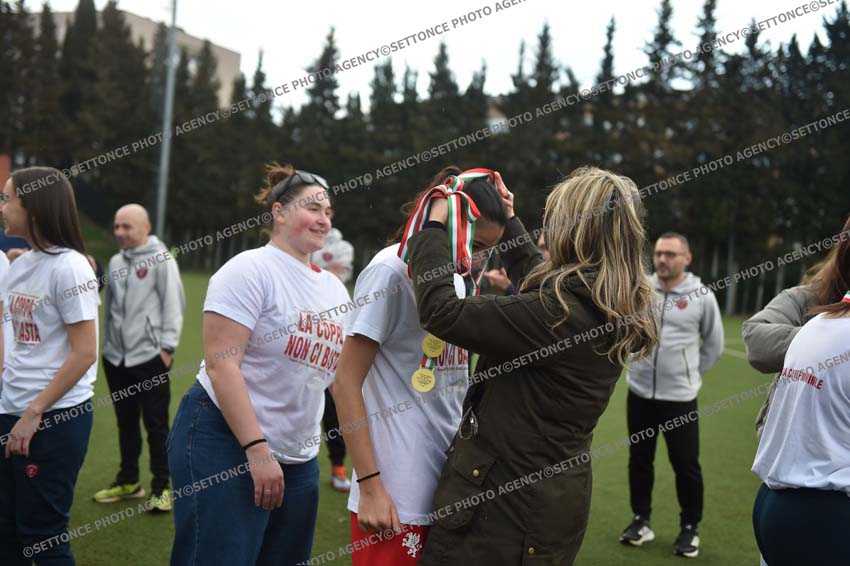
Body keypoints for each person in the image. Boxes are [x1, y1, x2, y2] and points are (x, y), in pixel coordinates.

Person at [407, 166, 657, 565]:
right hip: (549, 504)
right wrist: (510, 223)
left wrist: (433, 226)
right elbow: (535, 287)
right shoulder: (602, 300)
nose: (548, 229)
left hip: (503, 515)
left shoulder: (557, 315)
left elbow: (442, 312)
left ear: (576, 230)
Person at [167, 164, 349, 566]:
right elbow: (222, 366)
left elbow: (339, 380)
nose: (324, 219)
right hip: (224, 440)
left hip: (299, 457)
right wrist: (257, 450)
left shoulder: (335, 290)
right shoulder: (249, 269)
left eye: (328, 212)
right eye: (313, 208)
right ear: (278, 212)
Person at [334, 166, 509, 565]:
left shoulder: (455, 280)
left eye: (488, 249)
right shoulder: (390, 270)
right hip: (396, 492)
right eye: (478, 244)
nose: (480, 259)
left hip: (449, 482)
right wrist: (371, 486)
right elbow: (345, 381)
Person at [0, 167, 99, 565]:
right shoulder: (21, 265)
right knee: (6, 530)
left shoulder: (70, 267)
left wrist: (34, 411)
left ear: (35, 207)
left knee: (44, 537)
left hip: (52, 418)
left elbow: (85, 352)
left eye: (7, 198)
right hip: (12, 410)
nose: (2, 207)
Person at [743, 215, 850, 566]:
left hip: (785, 497)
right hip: (819, 505)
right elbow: (756, 339)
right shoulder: (814, 309)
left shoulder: (821, 325)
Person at [619, 232, 723, 557]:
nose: (662, 259)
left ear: (687, 259)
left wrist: (689, 376)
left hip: (680, 399)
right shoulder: (641, 290)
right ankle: (641, 520)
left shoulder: (701, 295)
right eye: (659, 253)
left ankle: (689, 528)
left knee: (685, 464)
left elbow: (714, 344)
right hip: (639, 394)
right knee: (640, 460)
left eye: (671, 254)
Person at [93, 204, 185, 511]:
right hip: (115, 359)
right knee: (126, 422)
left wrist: (167, 349)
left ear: (145, 228)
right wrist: (108, 348)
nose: (119, 232)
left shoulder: (161, 259)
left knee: (156, 425)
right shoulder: (116, 261)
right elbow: (110, 309)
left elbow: (174, 304)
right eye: (116, 226)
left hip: (149, 357)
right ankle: (129, 480)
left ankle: (161, 488)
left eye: (126, 227)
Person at [311, 228, 355, 492]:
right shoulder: (310, 244)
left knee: (333, 416)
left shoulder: (344, 246)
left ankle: (339, 469)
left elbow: (340, 272)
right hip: (306, 349)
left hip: (331, 355)